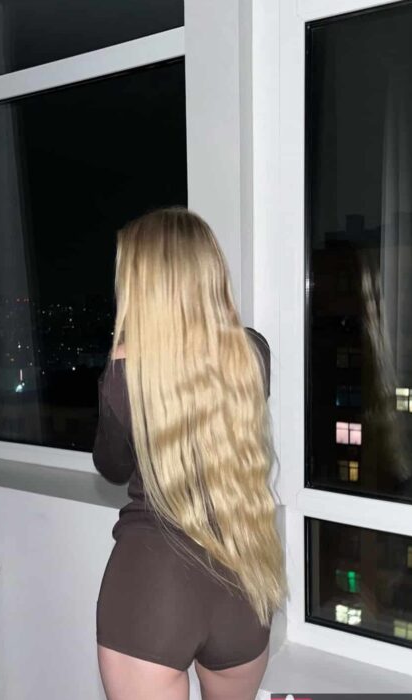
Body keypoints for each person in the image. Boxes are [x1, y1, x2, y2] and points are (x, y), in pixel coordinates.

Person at [93, 206, 288, 700]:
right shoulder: (253, 354)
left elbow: (112, 467)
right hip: (243, 579)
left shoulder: (124, 372)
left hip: (153, 586)